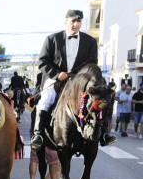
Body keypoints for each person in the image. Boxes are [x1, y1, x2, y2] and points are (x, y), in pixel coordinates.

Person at [30, 9, 116, 150]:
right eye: (73, 21)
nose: (76, 24)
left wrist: (81, 78)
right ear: (66, 22)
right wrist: (57, 74)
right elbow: (42, 62)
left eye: (79, 21)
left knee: (102, 98)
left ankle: (105, 133)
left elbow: (92, 65)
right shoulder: (52, 39)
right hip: (56, 79)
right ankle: (38, 134)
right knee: (46, 98)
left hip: (80, 82)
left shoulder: (90, 42)